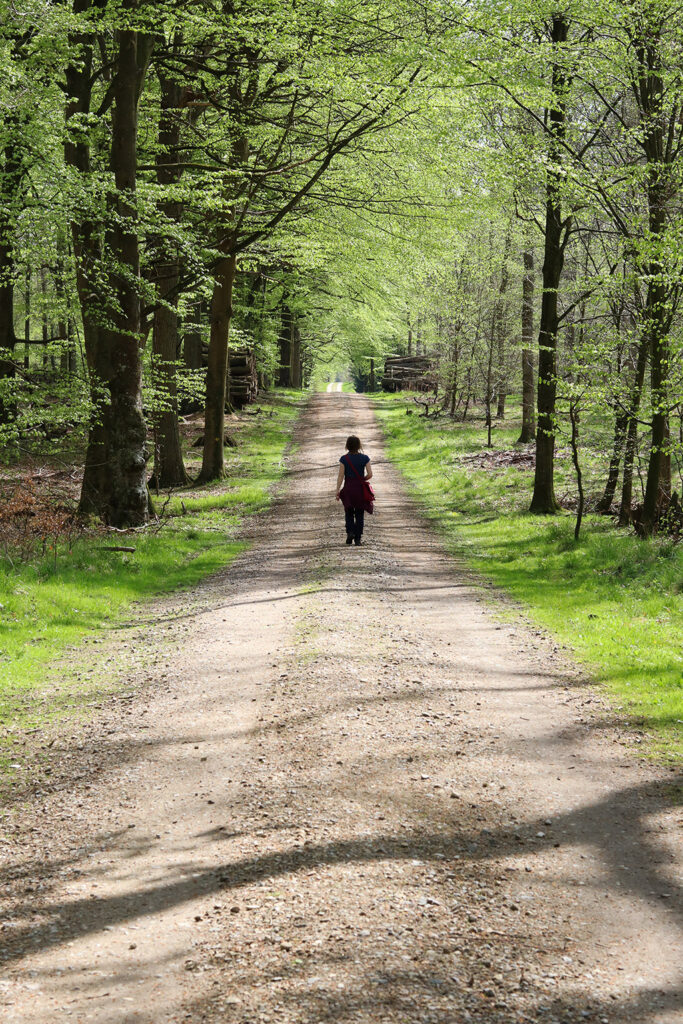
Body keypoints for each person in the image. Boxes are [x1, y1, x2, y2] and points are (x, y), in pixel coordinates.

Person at [335, 435, 373, 546]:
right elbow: (370, 474)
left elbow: (341, 476)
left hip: (348, 489)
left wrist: (338, 490)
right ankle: (358, 539)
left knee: (349, 512)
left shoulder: (344, 459)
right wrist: (362, 479)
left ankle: (350, 532)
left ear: (347, 446)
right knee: (360, 513)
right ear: (359, 445)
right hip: (360, 489)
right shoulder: (365, 458)